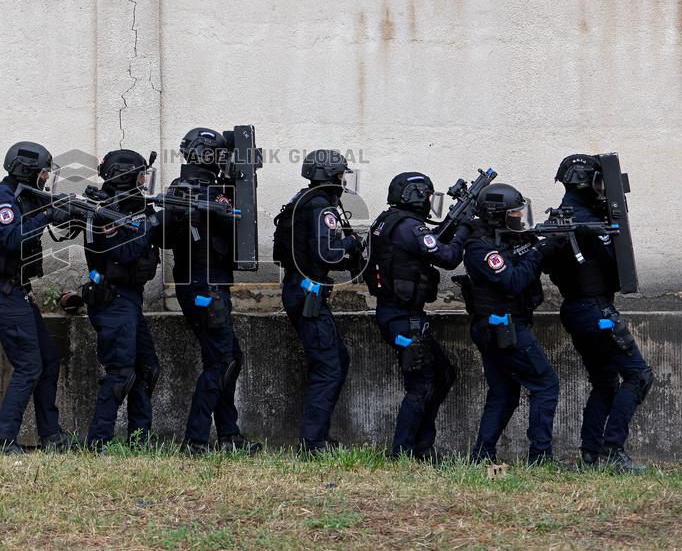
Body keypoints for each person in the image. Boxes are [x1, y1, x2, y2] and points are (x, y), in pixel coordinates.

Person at [545, 154, 652, 473]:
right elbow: (614, 264)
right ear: (586, 183)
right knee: (638, 375)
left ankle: (592, 454)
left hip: (577, 310)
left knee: (605, 382)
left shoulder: (560, 220)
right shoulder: (586, 222)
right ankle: (612, 451)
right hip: (596, 311)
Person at [0, 142, 77, 455]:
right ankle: (3, 443)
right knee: (29, 365)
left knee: (47, 359)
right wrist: (47, 213)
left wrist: (71, 213)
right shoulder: (1, 198)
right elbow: (13, 237)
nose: (46, 178)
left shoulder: (26, 195)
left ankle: (51, 436)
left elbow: (46, 218)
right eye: (43, 172)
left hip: (17, 290)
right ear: (28, 170)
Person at [165, 128, 260, 455]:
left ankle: (229, 437)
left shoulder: (205, 188)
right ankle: (195, 440)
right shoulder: (191, 190)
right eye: (218, 154)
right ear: (205, 154)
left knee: (228, 358)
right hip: (204, 288)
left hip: (208, 284)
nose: (223, 160)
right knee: (222, 361)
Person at [365, 172, 468, 460]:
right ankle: (404, 453)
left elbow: (429, 244)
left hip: (400, 315)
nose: (427, 202)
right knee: (421, 385)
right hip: (402, 319)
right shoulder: (409, 227)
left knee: (443, 374)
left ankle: (422, 447)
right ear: (414, 196)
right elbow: (447, 257)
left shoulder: (391, 220)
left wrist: (454, 224)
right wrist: (465, 230)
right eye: (425, 196)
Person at [460, 183, 563, 465]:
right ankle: (540, 457)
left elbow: (524, 254)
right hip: (501, 326)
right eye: (514, 214)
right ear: (497, 216)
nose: (519, 218)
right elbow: (512, 281)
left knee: (504, 392)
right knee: (545, 384)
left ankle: (482, 456)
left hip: (500, 325)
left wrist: (551, 239)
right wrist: (539, 251)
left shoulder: (505, 239)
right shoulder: (480, 247)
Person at [275, 150, 359, 455]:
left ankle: (318, 436)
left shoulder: (301, 200)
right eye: (341, 175)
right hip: (307, 293)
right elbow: (327, 253)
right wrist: (351, 242)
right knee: (328, 367)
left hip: (300, 288)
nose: (343, 181)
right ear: (332, 176)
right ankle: (312, 443)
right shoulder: (320, 208)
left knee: (338, 359)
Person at [82, 150, 163, 451]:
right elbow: (125, 253)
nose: (144, 180)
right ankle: (98, 443)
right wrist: (152, 221)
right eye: (140, 174)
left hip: (129, 300)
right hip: (113, 299)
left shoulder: (130, 207)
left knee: (147, 368)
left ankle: (139, 440)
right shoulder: (105, 210)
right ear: (125, 174)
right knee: (121, 373)